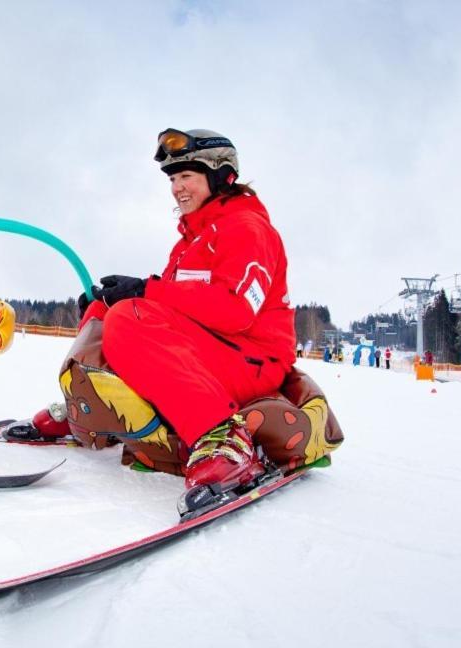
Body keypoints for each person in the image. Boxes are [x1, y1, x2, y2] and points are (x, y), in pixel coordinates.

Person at [71, 128, 295, 512]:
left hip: (251, 358)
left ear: (219, 175)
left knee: (129, 316)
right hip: (211, 350)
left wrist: (145, 291)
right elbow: (176, 308)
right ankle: (88, 411)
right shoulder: (192, 239)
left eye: (186, 176)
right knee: (104, 313)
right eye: (173, 179)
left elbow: (236, 309)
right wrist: (112, 301)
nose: (177, 188)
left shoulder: (247, 228)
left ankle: (223, 439)